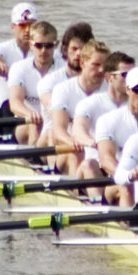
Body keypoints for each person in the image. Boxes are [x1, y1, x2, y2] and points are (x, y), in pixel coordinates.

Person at [71, 52, 135, 203]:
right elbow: (78, 130)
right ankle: (99, 207)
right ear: (109, 78)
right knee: (89, 164)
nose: (132, 80)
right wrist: (94, 142)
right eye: (126, 75)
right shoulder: (90, 104)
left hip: (123, 169)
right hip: (96, 170)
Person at [49, 39, 109, 179]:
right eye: (95, 65)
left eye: (105, 66)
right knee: (76, 151)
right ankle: (76, 192)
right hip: (71, 150)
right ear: (83, 63)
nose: (101, 70)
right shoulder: (63, 89)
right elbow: (59, 129)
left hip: (99, 153)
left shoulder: (111, 91)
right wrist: (73, 142)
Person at [95, 66, 138, 184]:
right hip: (118, 180)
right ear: (127, 90)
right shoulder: (107, 120)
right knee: (126, 189)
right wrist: (127, 176)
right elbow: (106, 159)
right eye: (137, 90)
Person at [36, 22, 94, 146]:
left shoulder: (98, 83)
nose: (79, 54)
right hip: (53, 141)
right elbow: (55, 111)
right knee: (52, 132)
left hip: (85, 139)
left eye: (83, 49)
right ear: (64, 50)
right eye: (74, 49)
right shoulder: (48, 83)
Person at [6, 21, 59, 146]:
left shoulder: (63, 68)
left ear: (56, 45)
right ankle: (33, 160)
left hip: (53, 124)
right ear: (30, 45)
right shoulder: (19, 68)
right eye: (39, 46)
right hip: (25, 123)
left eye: (49, 46)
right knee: (34, 124)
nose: (44, 50)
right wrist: (31, 114)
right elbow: (15, 103)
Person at [0, 2, 39, 111]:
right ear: (13, 26)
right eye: (22, 25)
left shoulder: (43, 51)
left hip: (34, 112)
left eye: (32, 25)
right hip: (5, 111)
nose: (28, 30)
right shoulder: (1, 48)